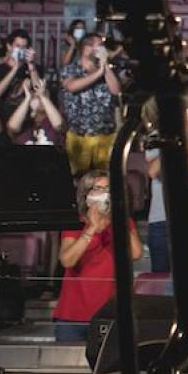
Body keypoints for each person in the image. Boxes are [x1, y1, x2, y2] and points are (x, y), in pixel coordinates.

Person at [54, 172, 143, 341]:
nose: (104, 193)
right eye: (98, 188)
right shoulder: (76, 223)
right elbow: (67, 260)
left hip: (110, 313)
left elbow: (136, 253)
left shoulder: (124, 221)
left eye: (108, 189)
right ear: (86, 193)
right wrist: (91, 229)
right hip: (74, 315)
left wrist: (119, 217)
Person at [60, 34, 122, 176]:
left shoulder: (107, 70)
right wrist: (98, 74)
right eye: (98, 46)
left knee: (105, 178)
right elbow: (71, 86)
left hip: (105, 134)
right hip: (80, 135)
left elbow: (116, 90)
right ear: (86, 49)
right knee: (77, 178)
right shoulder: (72, 69)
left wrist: (104, 66)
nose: (102, 49)